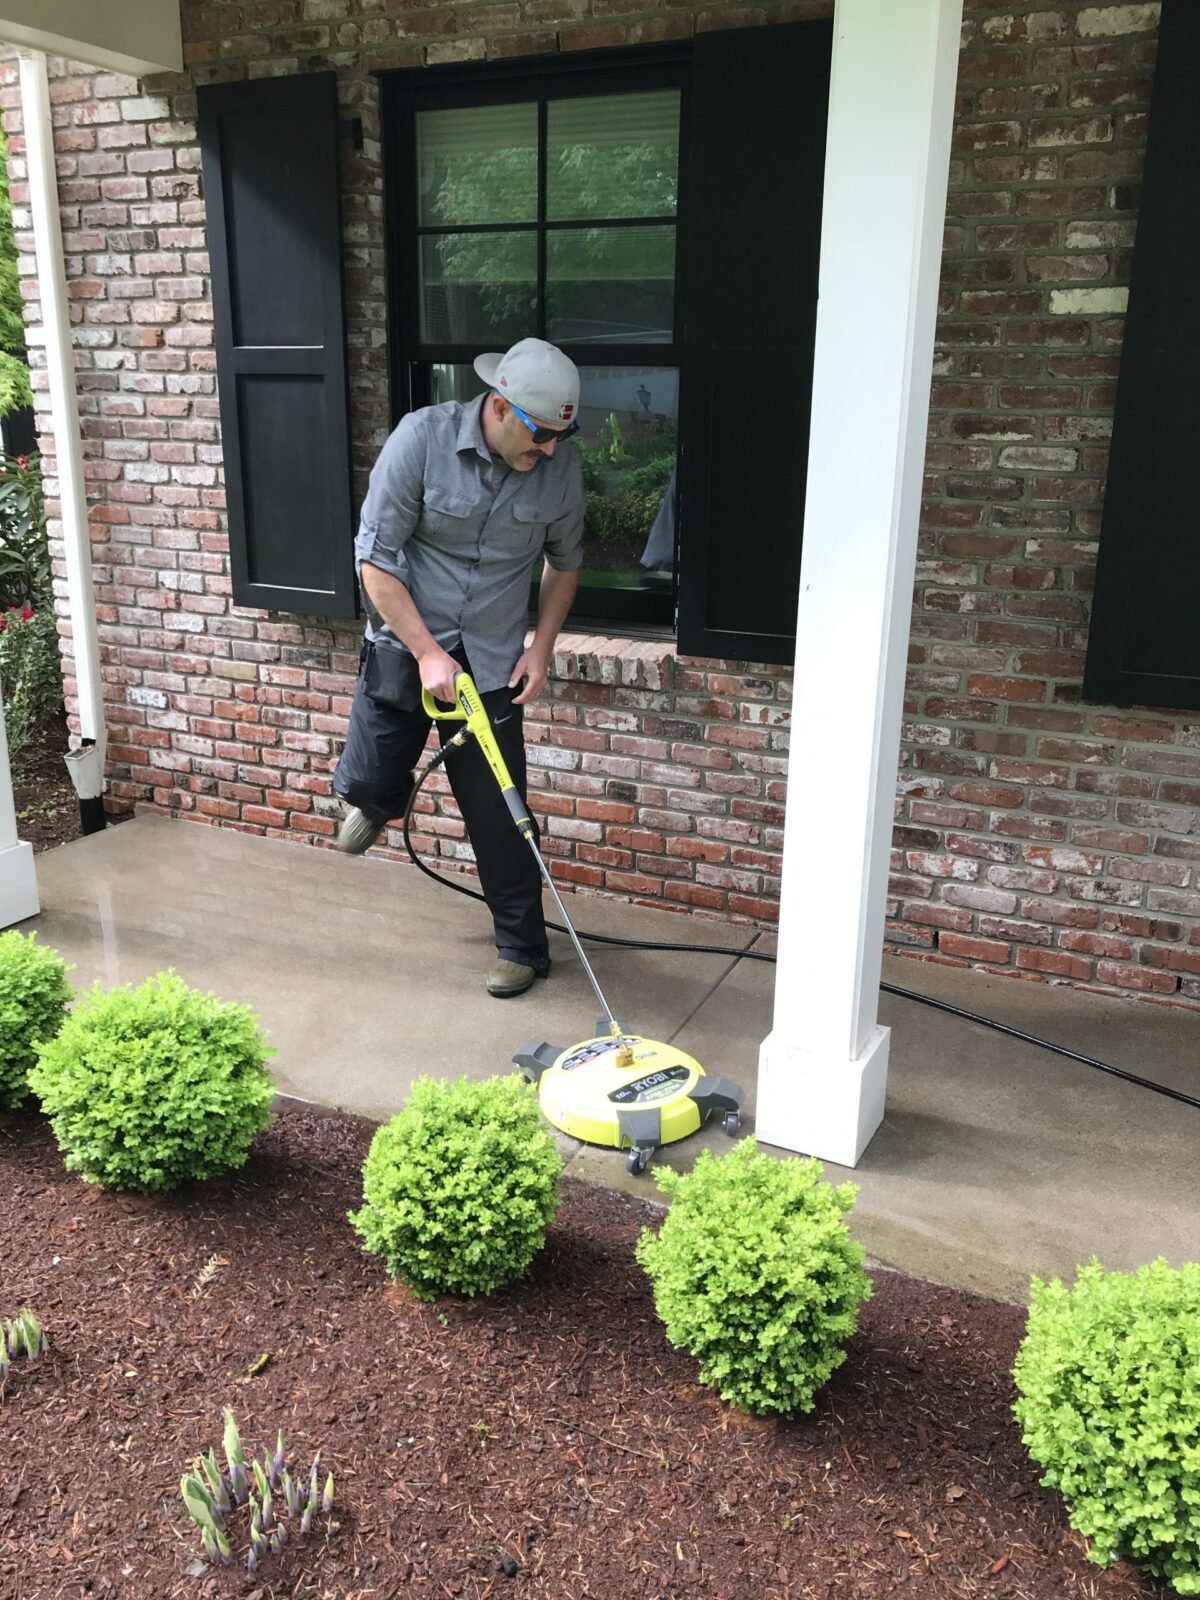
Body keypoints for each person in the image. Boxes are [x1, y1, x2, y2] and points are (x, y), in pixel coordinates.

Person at [333, 338, 584, 999]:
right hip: (407, 637)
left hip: (495, 656)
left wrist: (542, 647)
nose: (550, 452)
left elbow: (565, 563)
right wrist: (425, 652)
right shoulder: (421, 441)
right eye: (540, 438)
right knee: (366, 778)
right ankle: (378, 801)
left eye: (562, 437)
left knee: (500, 810)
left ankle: (522, 949)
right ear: (500, 409)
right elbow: (375, 562)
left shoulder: (560, 467)